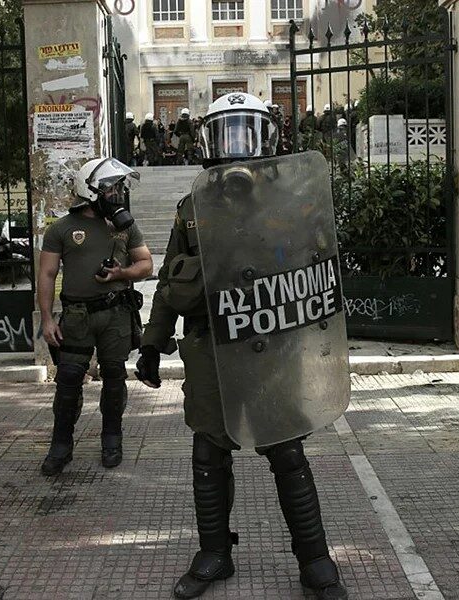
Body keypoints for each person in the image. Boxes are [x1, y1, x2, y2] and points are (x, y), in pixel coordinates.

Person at [135, 92, 349, 600]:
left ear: (268, 139)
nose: (235, 147)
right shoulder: (191, 209)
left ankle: (315, 560)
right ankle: (214, 554)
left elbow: (320, 270)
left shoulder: (290, 202)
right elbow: (168, 280)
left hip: (272, 347)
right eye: (225, 133)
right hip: (211, 349)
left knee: (287, 451)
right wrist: (151, 342)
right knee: (209, 452)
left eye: (245, 133)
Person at [37, 157, 152, 474]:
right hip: (76, 317)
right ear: (91, 191)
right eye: (112, 188)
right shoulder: (62, 228)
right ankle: (60, 446)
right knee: (69, 380)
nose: (117, 194)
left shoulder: (124, 227)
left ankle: (112, 440)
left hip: (116, 314)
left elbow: (146, 264)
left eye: (119, 188)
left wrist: (120, 274)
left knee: (115, 376)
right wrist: (47, 319)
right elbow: (46, 275)